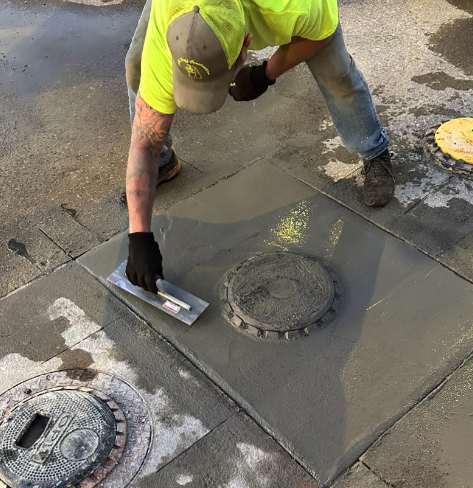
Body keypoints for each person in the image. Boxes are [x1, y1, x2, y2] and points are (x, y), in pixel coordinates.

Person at [125, 0, 395, 293]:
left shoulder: (296, 7)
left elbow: (321, 34)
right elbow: (145, 141)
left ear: (246, 44)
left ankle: (373, 148)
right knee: (138, 65)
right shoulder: (169, 20)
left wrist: (265, 73)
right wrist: (139, 235)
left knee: (337, 73)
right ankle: (163, 162)